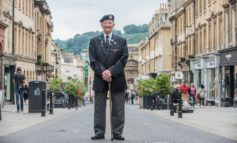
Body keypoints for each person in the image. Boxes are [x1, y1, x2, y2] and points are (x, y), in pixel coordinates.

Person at [89, 14, 128, 140]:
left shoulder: (121, 41)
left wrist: (110, 71)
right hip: (100, 77)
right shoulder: (94, 41)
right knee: (99, 107)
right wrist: (104, 72)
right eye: (105, 23)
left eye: (109, 23)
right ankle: (99, 132)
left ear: (113, 25)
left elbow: (123, 59)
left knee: (118, 107)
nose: (107, 25)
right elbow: (93, 60)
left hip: (117, 77)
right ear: (101, 24)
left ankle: (117, 132)